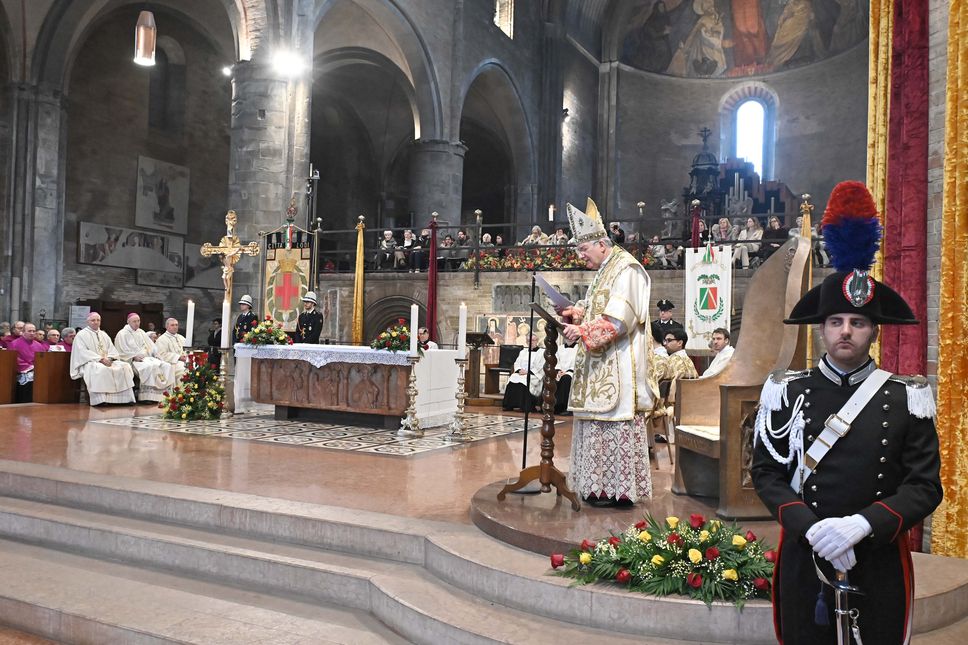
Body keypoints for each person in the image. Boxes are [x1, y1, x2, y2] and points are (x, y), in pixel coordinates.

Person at [751, 181, 942, 645]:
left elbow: (924, 486)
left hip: (877, 556)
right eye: (836, 321)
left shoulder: (907, 396)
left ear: (873, 331)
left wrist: (864, 524)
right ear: (821, 328)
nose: (845, 331)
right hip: (806, 551)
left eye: (858, 323)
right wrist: (811, 527)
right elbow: (767, 474)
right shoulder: (786, 391)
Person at [558, 198, 654, 507]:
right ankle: (597, 488)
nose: (580, 256)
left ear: (602, 244)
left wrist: (582, 331)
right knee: (595, 423)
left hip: (618, 363)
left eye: (583, 249)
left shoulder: (626, 269)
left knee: (614, 422)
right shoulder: (604, 270)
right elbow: (597, 308)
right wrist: (578, 313)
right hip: (600, 363)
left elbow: (620, 320)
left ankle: (618, 492)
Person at [69, 312, 136, 406]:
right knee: (100, 369)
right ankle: (101, 400)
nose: (96, 322)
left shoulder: (104, 334)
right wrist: (100, 359)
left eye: (98, 320)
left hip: (107, 360)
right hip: (90, 362)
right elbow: (82, 352)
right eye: (93, 320)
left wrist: (110, 358)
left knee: (125, 366)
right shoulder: (81, 335)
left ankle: (125, 399)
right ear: (87, 322)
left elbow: (112, 349)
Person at [114, 313, 175, 403]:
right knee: (149, 367)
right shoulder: (122, 334)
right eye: (134, 321)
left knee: (166, 365)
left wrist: (156, 355)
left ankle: (164, 395)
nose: (137, 323)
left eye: (138, 321)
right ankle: (147, 397)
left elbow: (151, 346)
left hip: (147, 358)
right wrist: (133, 357)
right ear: (128, 322)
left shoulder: (141, 332)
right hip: (134, 361)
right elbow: (120, 351)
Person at [502, 334, 544, 412]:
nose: (531, 342)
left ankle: (525, 406)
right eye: (528, 341)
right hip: (521, 373)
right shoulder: (523, 352)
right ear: (526, 342)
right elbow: (517, 363)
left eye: (533, 340)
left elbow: (541, 366)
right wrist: (519, 370)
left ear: (537, 341)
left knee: (524, 380)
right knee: (512, 378)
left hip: (533, 375)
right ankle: (509, 405)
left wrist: (527, 372)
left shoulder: (542, 352)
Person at [9, 323, 47, 402]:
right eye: (29, 331)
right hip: (22, 373)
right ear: (23, 332)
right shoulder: (14, 344)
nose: (32, 333)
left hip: (37, 372)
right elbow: (13, 360)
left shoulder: (39, 345)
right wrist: (30, 367)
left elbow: (43, 360)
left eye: (34, 331)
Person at [154, 317, 189, 382]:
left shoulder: (181, 338)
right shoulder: (162, 339)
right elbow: (161, 354)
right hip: (172, 364)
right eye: (172, 325)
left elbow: (188, 350)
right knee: (183, 372)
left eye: (176, 325)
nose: (175, 327)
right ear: (167, 327)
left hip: (184, 362)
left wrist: (187, 356)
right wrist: (178, 357)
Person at [554, 339, 578, 415]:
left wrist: (567, 371)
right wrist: (558, 370)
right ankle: (551, 405)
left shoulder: (579, 348)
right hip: (559, 372)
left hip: (573, 372)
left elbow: (579, 362)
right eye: (567, 336)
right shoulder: (559, 348)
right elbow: (556, 360)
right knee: (549, 378)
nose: (569, 338)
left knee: (566, 378)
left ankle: (563, 407)